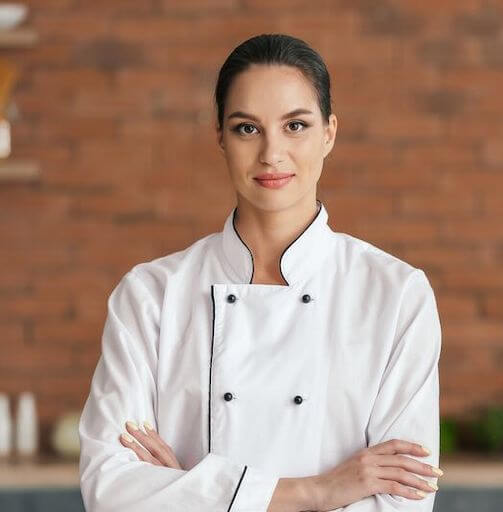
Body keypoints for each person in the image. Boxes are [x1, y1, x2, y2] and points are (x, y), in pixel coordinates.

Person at [78, 33, 443, 512]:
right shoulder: (151, 295)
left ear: (329, 133)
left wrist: (193, 491)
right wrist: (319, 491)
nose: (272, 153)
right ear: (220, 138)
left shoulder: (395, 295)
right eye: (247, 128)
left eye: (295, 125)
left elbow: (402, 503)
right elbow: (110, 488)